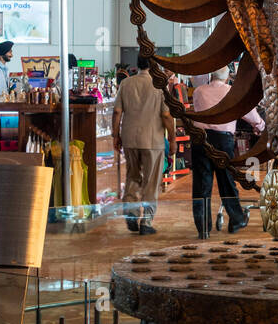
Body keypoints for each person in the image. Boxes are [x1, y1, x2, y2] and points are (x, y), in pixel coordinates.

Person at [189, 68, 264, 239]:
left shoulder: (199, 92)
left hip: (200, 141)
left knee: (202, 185)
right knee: (226, 181)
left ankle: (203, 228)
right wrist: (260, 125)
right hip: (223, 142)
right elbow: (248, 113)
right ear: (229, 77)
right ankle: (236, 219)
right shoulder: (231, 93)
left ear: (211, 76)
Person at [113, 55, 175, 235]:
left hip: (130, 139)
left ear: (137, 65)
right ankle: (146, 221)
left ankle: (131, 215)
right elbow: (165, 115)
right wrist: (172, 138)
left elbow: (117, 112)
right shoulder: (159, 85)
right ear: (153, 65)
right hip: (152, 140)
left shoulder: (126, 83)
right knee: (151, 181)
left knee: (132, 176)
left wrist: (115, 135)